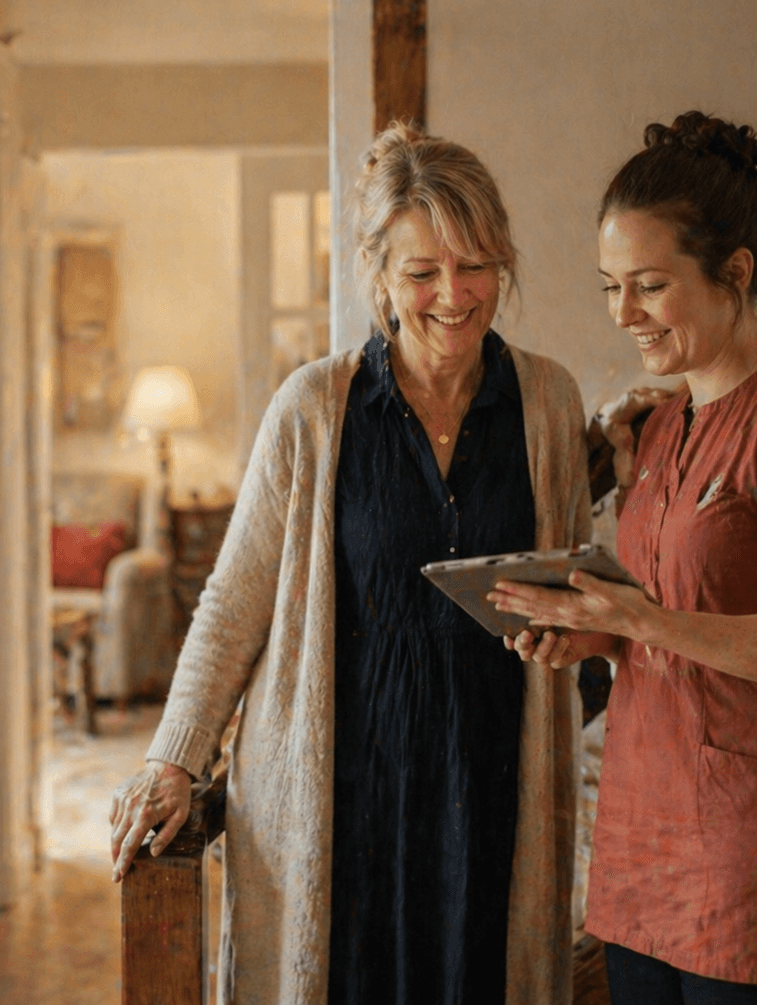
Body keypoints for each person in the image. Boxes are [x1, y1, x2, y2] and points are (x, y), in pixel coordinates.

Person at [109, 122, 592, 1005]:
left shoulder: (550, 401)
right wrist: (172, 758)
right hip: (344, 805)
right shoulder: (313, 409)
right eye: (421, 272)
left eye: (476, 263)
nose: (454, 293)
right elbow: (233, 601)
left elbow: (569, 574)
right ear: (378, 278)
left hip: (492, 797)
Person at [490, 112, 757, 1005]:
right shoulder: (659, 423)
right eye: (609, 287)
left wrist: (637, 618)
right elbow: (674, 617)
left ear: (734, 274)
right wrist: (591, 635)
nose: (622, 313)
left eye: (649, 285)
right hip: (644, 848)